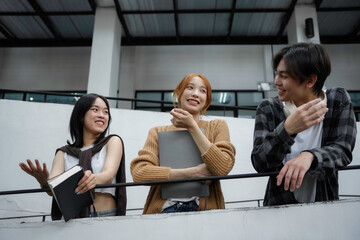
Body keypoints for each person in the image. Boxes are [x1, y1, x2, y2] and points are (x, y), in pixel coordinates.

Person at [251, 42, 357, 206]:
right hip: (278, 208)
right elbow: (260, 162)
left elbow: (342, 150)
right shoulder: (269, 108)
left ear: (310, 80)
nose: (276, 81)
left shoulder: (338, 100)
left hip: (325, 208)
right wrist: (287, 130)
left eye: (284, 76)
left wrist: (310, 156)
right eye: (277, 74)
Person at [131, 73, 236, 214]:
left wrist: (192, 126)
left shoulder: (217, 126)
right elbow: (139, 172)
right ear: (179, 93)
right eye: (190, 87)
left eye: (202, 91)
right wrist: (191, 173)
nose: (195, 94)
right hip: (163, 211)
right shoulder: (157, 132)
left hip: (205, 211)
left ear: (207, 99)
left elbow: (223, 167)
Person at [19, 93, 126, 219]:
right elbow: (53, 190)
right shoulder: (63, 153)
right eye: (95, 110)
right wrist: (43, 180)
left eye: (106, 112)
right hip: (73, 220)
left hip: (106, 215)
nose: (102, 115)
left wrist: (91, 178)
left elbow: (108, 175)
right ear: (81, 115)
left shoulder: (112, 141)